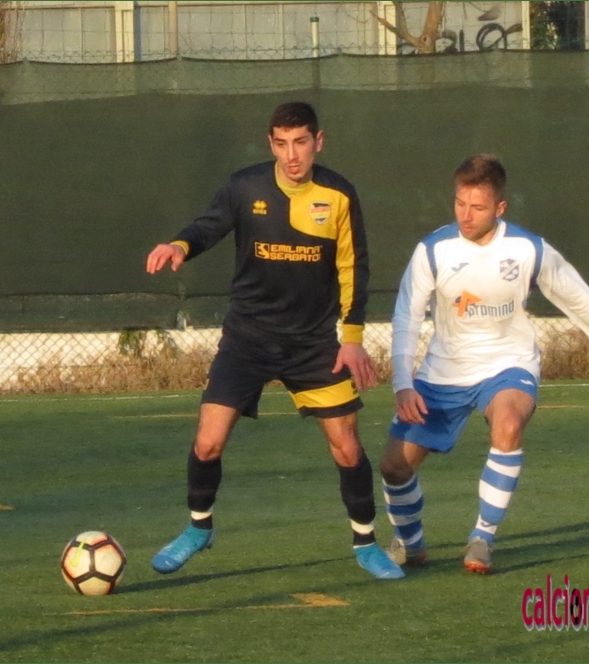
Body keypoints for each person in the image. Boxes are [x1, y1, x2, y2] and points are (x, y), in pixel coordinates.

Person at [145, 101, 404, 580]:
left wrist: (351, 338)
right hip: (248, 339)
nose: (292, 155)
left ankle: (367, 544)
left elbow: (353, 267)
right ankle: (199, 528)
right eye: (282, 144)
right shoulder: (245, 187)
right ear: (271, 144)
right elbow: (209, 226)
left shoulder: (339, 195)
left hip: (313, 344)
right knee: (207, 443)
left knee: (347, 448)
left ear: (318, 142)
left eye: (301, 143)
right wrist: (180, 244)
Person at [379, 154, 589, 574]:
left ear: (500, 208)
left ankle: (482, 538)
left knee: (508, 425)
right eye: (460, 203)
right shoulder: (433, 250)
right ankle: (410, 543)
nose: (466, 215)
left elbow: (576, 297)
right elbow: (406, 316)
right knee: (394, 467)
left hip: (508, 362)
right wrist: (402, 383)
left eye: (478, 207)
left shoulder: (527, 248)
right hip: (444, 371)